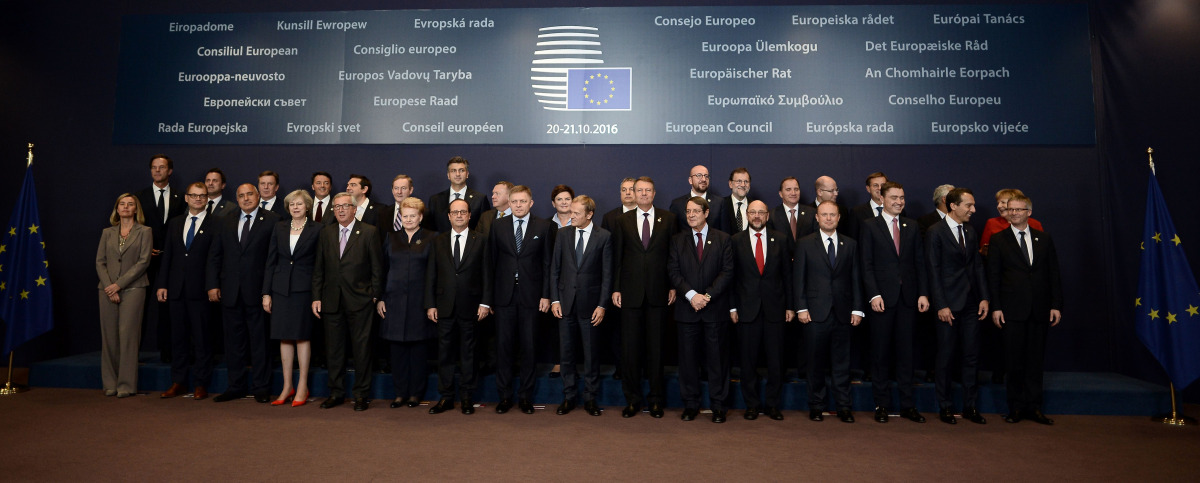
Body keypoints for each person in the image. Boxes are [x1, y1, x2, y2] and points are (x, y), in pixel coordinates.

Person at [987, 194, 1062, 425]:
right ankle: (1015, 408)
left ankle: (1034, 408)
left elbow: (1053, 274)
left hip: (1039, 309)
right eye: (1011, 210)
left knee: (1035, 362)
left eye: (1019, 210)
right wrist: (996, 307)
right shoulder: (999, 240)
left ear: (1029, 212)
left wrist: (1055, 305)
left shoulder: (1044, 238)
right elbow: (993, 277)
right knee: (1014, 361)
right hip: (1011, 310)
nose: (1015, 213)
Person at [858, 182, 929, 423]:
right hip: (882, 301)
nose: (899, 201)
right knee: (880, 354)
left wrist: (923, 293)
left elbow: (920, 262)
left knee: (906, 355)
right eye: (894, 197)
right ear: (882, 197)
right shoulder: (869, 226)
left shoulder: (912, 225)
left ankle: (908, 406)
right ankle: (882, 405)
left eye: (902, 197)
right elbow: (865, 264)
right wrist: (873, 294)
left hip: (908, 299)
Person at [611, 176, 679, 418]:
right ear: (633, 193)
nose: (643, 194)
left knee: (656, 350)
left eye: (647, 190)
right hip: (630, 294)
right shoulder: (622, 220)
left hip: (659, 293)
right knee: (630, 351)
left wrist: (672, 285)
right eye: (638, 190)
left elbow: (674, 256)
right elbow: (616, 257)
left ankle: (656, 400)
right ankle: (632, 400)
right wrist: (616, 288)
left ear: (654, 193)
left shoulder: (669, 219)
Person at [207, 184, 281, 403]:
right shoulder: (225, 220)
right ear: (236, 199)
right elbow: (215, 256)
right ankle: (236, 386)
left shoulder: (273, 220)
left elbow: (274, 259)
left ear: (258, 196)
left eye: (250, 194)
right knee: (233, 343)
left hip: (258, 292)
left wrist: (268, 290)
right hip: (230, 292)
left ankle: (261, 387)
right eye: (241, 195)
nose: (246, 198)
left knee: (260, 343)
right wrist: (212, 285)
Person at [312, 193, 384, 411]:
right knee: (334, 350)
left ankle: (361, 395)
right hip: (331, 300)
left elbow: (377, 268)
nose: (341, 210)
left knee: (361, 350)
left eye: (345, 206)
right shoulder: (326, 232)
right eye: (337, 207)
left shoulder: (369, 232)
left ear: (354, 209)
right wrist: (316, 296)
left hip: (360, 301)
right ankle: (336, 392)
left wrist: (373, 295)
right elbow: (319, 268)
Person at [794, 201, 863, 423]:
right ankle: (816, 406)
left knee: (842, 363)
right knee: (815, 363)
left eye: (832, 215)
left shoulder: (850, 244)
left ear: (839, 217)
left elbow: (856, 278)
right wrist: (802, 308)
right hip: (814, 313)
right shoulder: (805, 244)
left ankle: (843, 406)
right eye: (824, 215)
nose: (828, 218)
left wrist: (858, 309)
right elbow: (799, 279)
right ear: (817, 217)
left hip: (843, 313)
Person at [668, 196, 735, 423]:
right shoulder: (677, 240)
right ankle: (691, 404)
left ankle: (718, 406)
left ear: (706, 213)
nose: (691, 215)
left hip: (714, 309)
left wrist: (706, 296)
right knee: (687, 362)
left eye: (696, 211)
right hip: (687, 310)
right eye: (688, 211)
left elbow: (727, 272)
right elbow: (673, 271)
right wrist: (691, 296)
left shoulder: (723, 239)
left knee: (717, 361)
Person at [926, 188, 990, 425]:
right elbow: (932, 271)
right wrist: (941, 305)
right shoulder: (935, 232)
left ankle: (970, 407)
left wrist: (984, 297)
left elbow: (976, 267)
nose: (973, 210)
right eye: (969, 205)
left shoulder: (970, 232)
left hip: (972, 303)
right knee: (945, 357)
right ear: (953, 206)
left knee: (971, 356)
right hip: (948, 306)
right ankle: (945, 406)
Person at [488, 185, 552, 414]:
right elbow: (491, 264)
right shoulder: (497, 226)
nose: (518, 205)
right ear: (509, 202)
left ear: (531, 202)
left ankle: (525, 397)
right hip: (504, 297)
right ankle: (504, 397)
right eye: (514, 201)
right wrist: (489, 299)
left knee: (529, 348)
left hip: (532, 297)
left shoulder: (545, 226)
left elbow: (548, 264)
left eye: (522, 201)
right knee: (503, 348)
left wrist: (546, 294)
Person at [425, 198, 493, 414]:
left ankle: (466, 397)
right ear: (448, 216)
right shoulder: (438, 241)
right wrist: (430, 304)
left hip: (471, 306)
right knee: (444, 354)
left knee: (468, 354)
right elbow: (431, 275)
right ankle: (445, 397)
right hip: (443, 307)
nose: (459, 216)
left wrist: (485, 302)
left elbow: (488, 274)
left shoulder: (481, 240)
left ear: (469, 215)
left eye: (463, 212)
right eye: (455, 212)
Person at [549, 195, 612, 416]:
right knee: (566, 355)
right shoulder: (563, 234)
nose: (570, 215)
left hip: (591, 307)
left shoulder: (603, 237)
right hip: (565, 305)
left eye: (576, 213)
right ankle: (568, 397)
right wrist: (555, 299)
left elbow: (607, 276)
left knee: (591, 355)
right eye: (571, 212)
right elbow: (555, 270)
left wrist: (602, 305)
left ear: (589, 214)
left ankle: (590, 399)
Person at [730, 200, 793, 421]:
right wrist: (732, 306)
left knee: (776, 361)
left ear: (768, 216)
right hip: (747, 310)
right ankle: (752, 405)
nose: (757, 216)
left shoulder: (781, 240)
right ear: (746, 215)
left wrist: (790, 306)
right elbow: (731, 278)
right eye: (753, 212)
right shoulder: (735, 241)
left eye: (761, 212)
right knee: (748, 362)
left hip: (775, 310)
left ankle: (773, 405)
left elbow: (788, 276)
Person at [156, 182, 218, 400]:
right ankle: (179, 382)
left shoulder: (215, 223)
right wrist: (162, 284)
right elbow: (168, 256)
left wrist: (213, 285)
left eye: (202, 196)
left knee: (202, 339)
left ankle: (201, 384)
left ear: (207, 198)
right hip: (175, 290)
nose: (198, 199)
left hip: (201, 290)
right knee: (178, 339)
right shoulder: (175, 223)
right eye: (194, 195)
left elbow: (215, 259)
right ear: (186, 198)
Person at [262, 189, 322, 407]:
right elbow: (271, 261)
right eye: (292, 204)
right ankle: (287, 386)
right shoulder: (279, 227)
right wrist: (266, 292)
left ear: (307, 206)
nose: (295, 207)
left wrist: (317, 294)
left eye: (299, 204)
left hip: (304, 290)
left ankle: (303, 385)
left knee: (301, 336)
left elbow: (320, 264)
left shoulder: (317, 229)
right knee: (283, 337)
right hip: (280, 289)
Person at [378, 197, 438, 409]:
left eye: (413, 215)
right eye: (405, 216)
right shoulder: (391, 237)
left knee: (418, 350)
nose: (409, 219)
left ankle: (415, 394)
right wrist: (380, 298)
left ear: (420, 217)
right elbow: (382, 270)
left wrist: (432, 302)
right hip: (393, 300)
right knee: (397, 350)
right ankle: (400, 393)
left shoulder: (432, 238)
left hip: (420, 302)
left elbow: (436, 273)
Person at [96, 193, 153, 398]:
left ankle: (126, 385)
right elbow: (100, 262)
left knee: (128, 337)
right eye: (122, 204)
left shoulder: (145, 231)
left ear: (136, 209)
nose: (126, 207)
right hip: (106, 290)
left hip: (134, 289)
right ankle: (110, 383)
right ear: (117, 209)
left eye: (130, 204)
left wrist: (118, 285)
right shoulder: (107, 233)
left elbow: (143, 262)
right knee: (109, 338)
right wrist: (109, 286)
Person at [134, 154, 184, 364]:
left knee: (168, 309)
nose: (157, 171)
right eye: (154, 167)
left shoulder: (181, 198)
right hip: (145, 261)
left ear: (169, 171)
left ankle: (167, 352)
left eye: (161, 167)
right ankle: (133, 353)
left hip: (171, 262)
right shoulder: (139, 196)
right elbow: (134, 227)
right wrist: (144, 249)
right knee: (139, 308)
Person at [426, 156, 488, 232]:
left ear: (467, 174)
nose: (457, 174)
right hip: (442, 243)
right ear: (448, 175)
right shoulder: (435, 200)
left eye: (461, 170)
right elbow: (430, 229)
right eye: (453, 171)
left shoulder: (480, 199)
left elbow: (484, 229)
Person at [979, 189, 1045, 256]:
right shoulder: (992, 223)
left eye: (1003, 202)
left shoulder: (1035, 224)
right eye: (998, 203)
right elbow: (984, 250)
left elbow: (1043, 250)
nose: (998, 206)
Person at [669, 165, 720, 231]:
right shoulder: (677, 204)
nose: (704, 179)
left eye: (706, 176)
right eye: (699, 175)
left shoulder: (719, 203)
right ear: (690, 180)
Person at [768, 176, 809, 248]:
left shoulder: (811, 213)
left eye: (796, 189)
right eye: (788, 189)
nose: (793, 193)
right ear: (781, 194)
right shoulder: (772, 215)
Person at [715, 167, 753, 234]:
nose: (743, 185)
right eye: (739, 181)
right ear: (730, 184)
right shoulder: (720, 205)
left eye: (746, 181)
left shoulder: (755, 206)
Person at [380, 174, 416, 242]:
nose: (399, 192)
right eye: (396, 188)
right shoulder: (383, 212)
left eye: (403, 188)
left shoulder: (420, 212)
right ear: (392, 190)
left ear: (411, 190)